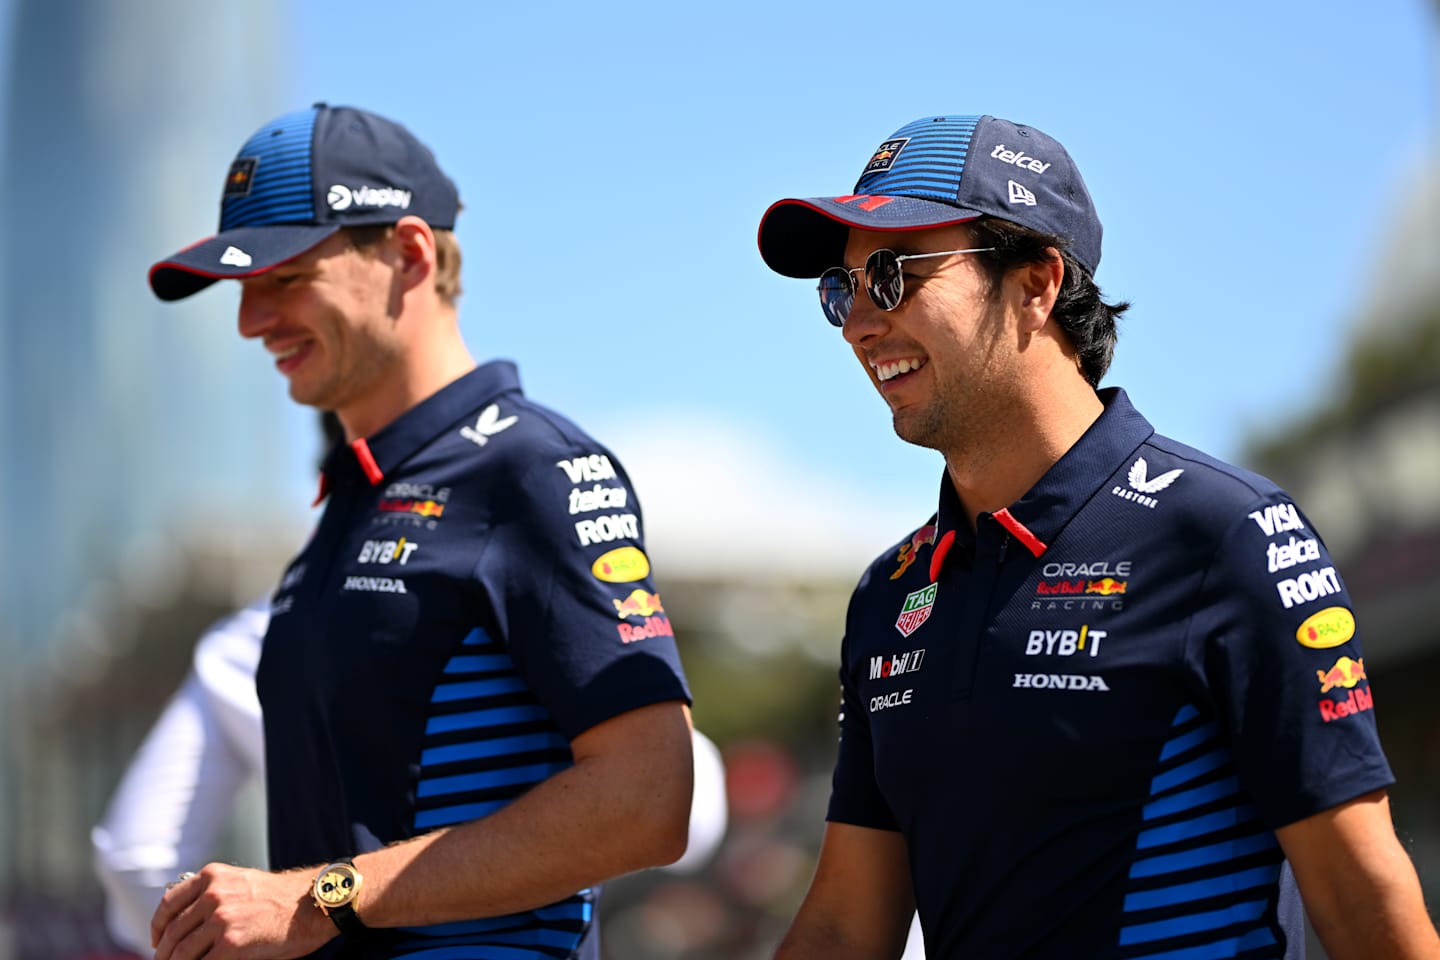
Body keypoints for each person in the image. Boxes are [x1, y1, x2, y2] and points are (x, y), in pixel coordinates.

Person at [755, 114, 1440, 959]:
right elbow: (843, 927)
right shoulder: (890, 593)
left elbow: (1361, 896)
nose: (859, 322)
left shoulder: (1224, 532)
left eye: (893, 276)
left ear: (1037, 283)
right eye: (841, 288)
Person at [143, 103, 694, 960]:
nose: (252, 321)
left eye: (284, 277)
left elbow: (649, 798)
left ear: (408, 253)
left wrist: (317, 898)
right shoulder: (350, 504)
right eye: (241, 289)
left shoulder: (530, 467)